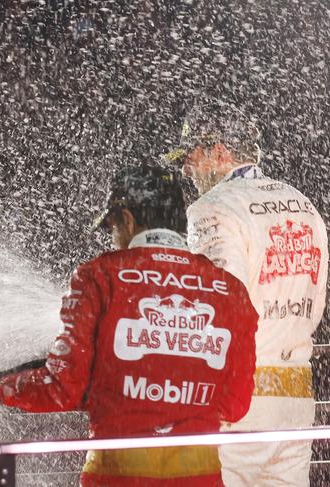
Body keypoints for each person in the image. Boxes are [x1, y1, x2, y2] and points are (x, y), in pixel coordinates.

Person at [0, 165, 258, 486]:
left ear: (126, 219)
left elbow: (61, 388)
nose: (113, 239)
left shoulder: (99, 277)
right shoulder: (229, 290)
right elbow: (234, 405)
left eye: (112, 227)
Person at [163, 99, 329, 486]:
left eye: (190, 157)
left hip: (236, 402)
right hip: (297, 398)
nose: (186, 169)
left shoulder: (212, 208)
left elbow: (219, 304)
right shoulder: (303, 206)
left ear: (216, 151)